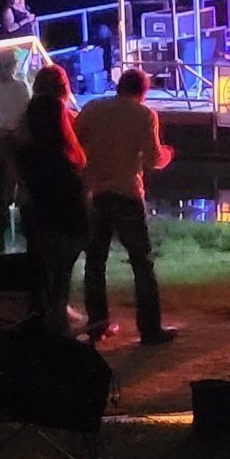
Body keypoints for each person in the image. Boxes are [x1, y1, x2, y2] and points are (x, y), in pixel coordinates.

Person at [75, 68, 176, 344]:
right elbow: (153, 159)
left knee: (95, 261)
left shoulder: (93, 108)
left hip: (96, 192)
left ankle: (97, 324)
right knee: (141, 262)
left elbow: (75, 142)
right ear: (143, 91)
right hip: (127, 192)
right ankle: (150, 329)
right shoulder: (144, 115)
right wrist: (167, 155)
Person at [17, 63, 89, 337]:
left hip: (36, 208)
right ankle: (58, 316)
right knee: (63, 262)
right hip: (63, 208)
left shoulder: (27, 129)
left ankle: (44, 312)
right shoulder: (60, 125)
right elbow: (78, 162)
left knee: (41, 263)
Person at [0, 48, 33, 246]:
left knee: (5, 185)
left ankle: (2, 229)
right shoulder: (21, 85)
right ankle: (23, 226)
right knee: (22, 182)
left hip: (3, 136)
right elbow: (27, 112)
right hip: (19, 138)